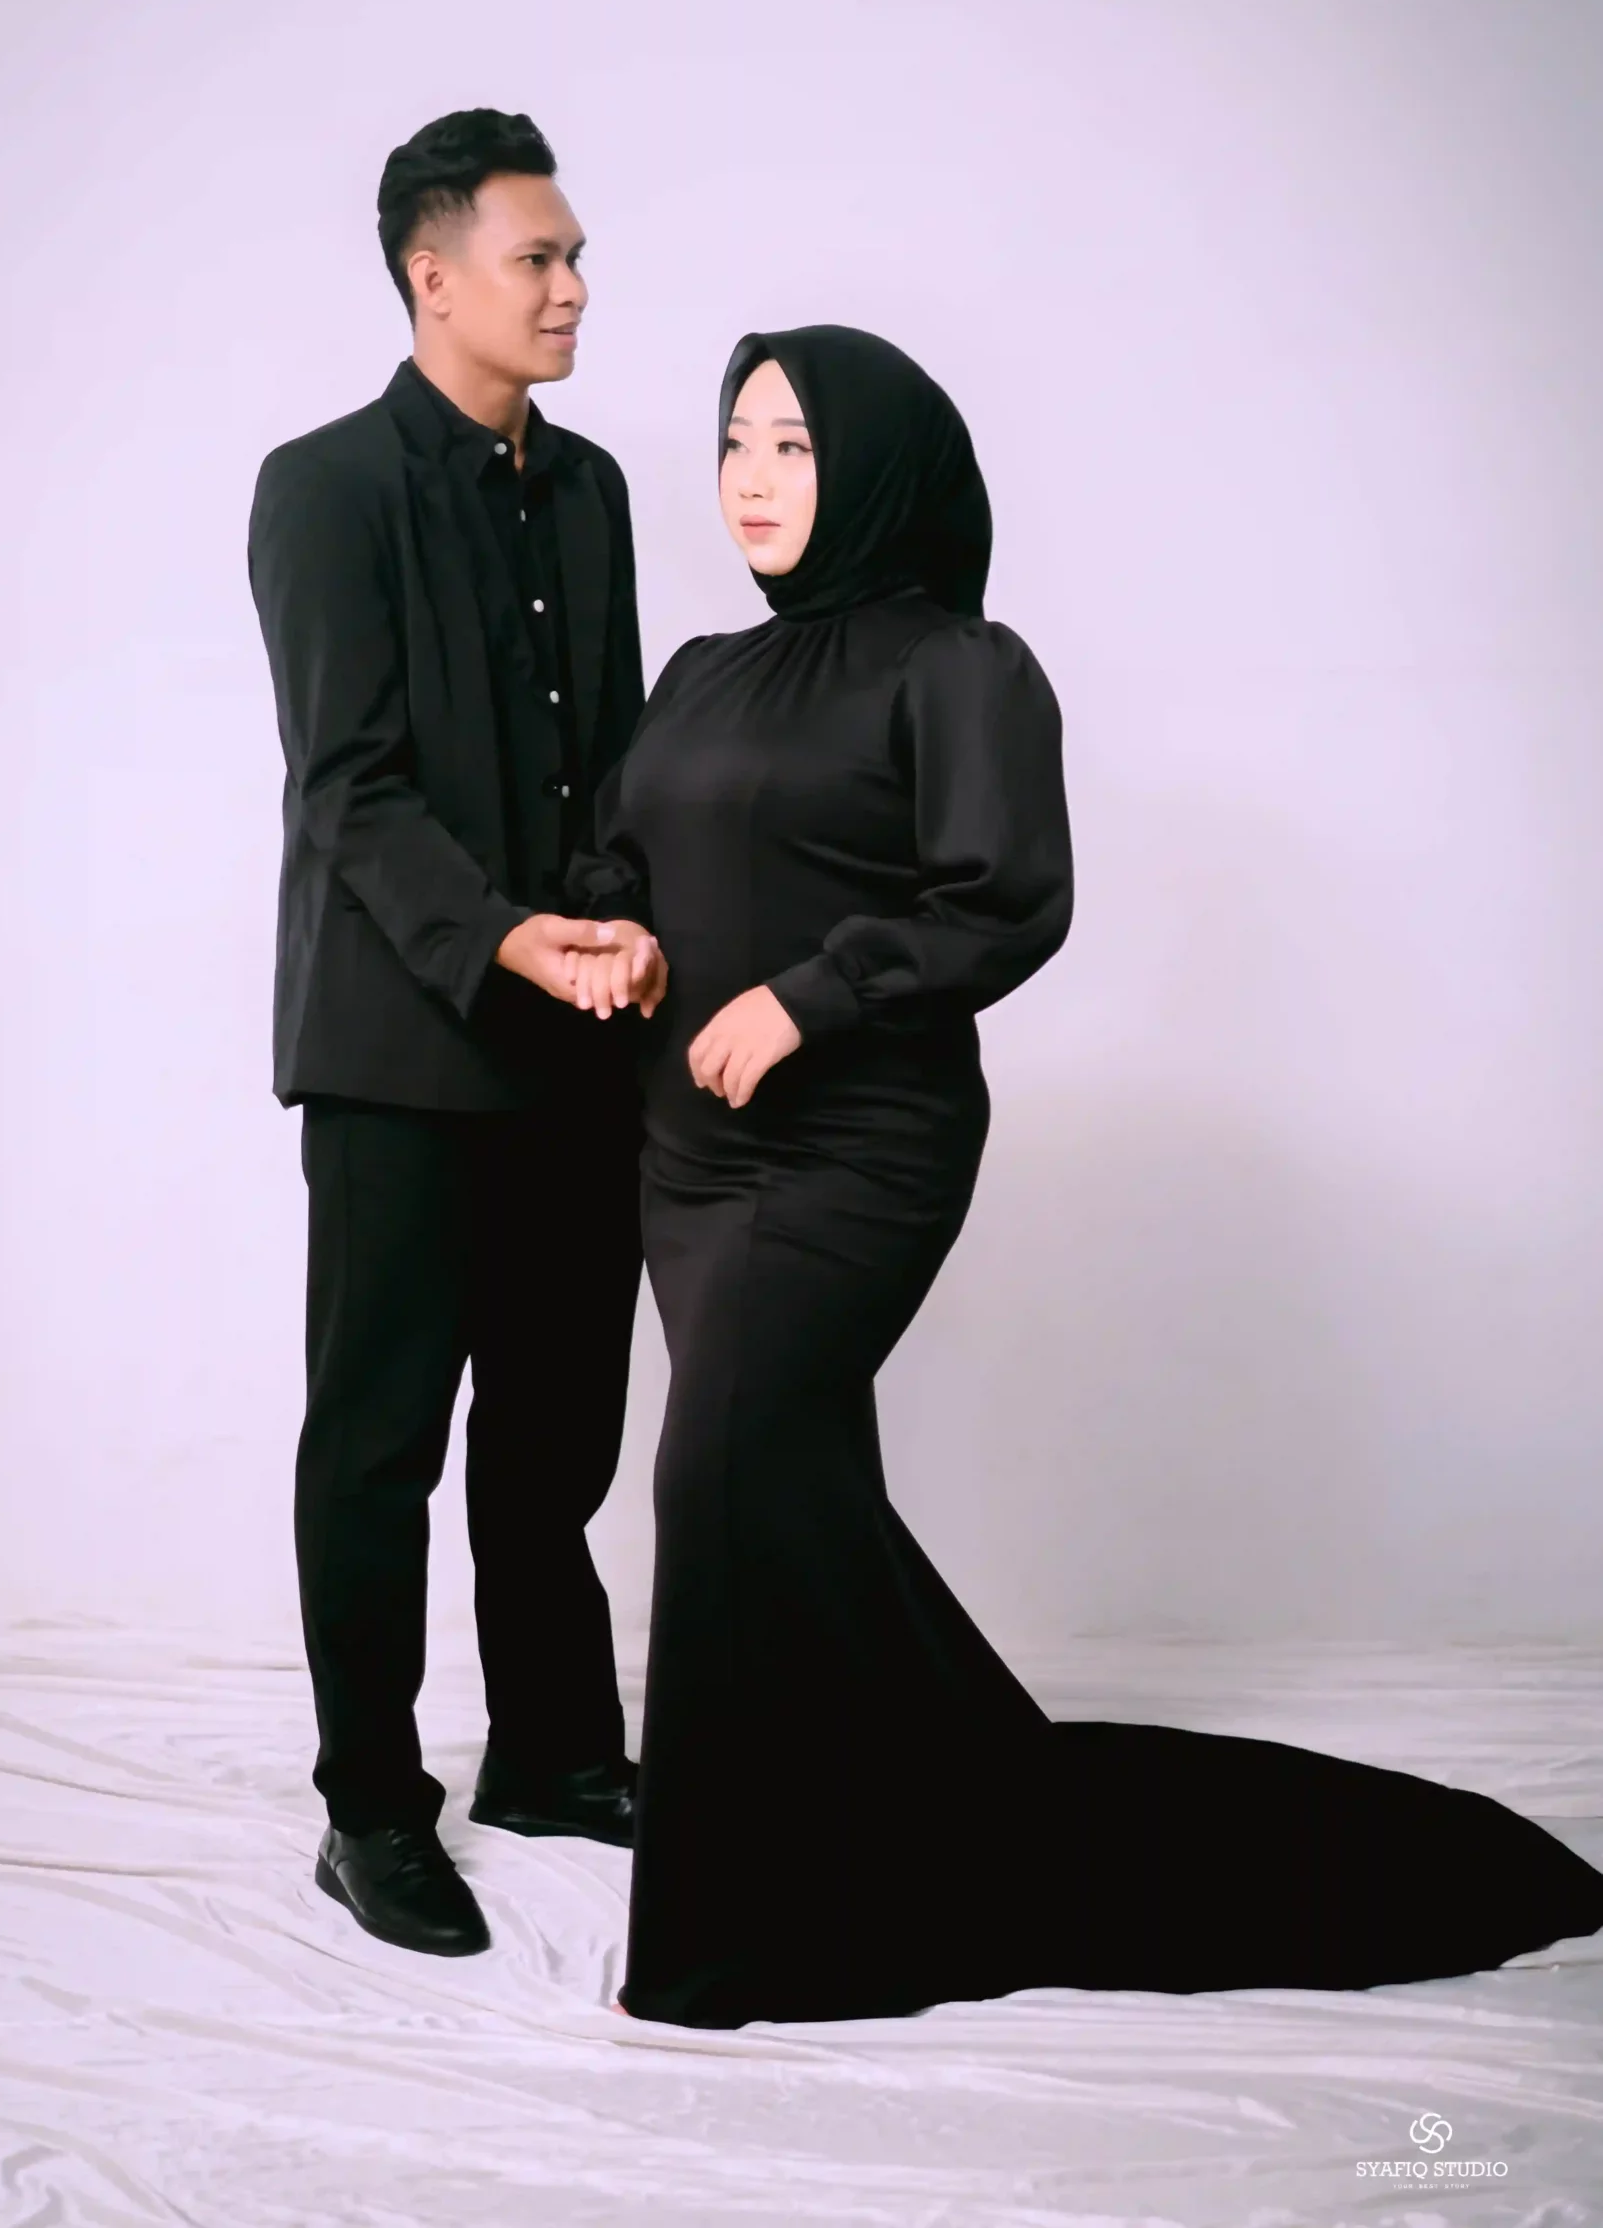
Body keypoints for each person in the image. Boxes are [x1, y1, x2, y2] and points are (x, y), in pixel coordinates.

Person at [566, 323, 1603, 2028]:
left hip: (852, 1145)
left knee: (721, 1477)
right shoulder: (695, 673)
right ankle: (890, 1809)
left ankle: (737, 1924)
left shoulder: (960, 666)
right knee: (785, 1482)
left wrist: (810, 998)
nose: (750, 478)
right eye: (735, 440)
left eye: (795, 446)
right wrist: (614, 932)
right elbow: (625, 851)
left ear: (877, 472)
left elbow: (1001, 899)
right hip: (687, 1152)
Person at [247, 110, 661, 1959]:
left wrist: (624, 916)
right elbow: (346, 783)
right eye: (537, 259)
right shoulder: (323, 488)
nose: (571, 289)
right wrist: (506, 940)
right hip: (400, 1049)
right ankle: (368, 1808)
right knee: (379, 1445)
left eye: (574, 259)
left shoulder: (594, 491)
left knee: (556, 1434)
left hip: (580, 1041)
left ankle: (554, 1752)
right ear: (434, 277)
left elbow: (618, 754)